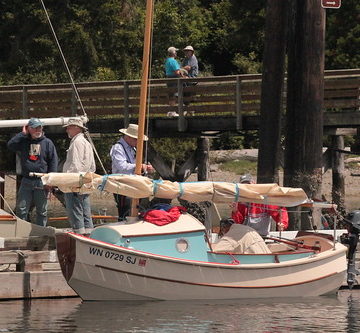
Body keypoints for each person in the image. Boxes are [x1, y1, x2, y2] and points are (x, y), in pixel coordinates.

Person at [7, 117, 58, 226]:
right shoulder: (24, 141)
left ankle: (41, 232)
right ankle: (21, 230)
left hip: (41, 180)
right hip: (26, 180)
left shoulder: (48, 143)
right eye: (34, 128)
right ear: (28, 129)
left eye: (39, 127)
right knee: (21, 209)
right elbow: (10, 145)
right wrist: (22, 134)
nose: (37, 130)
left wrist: (51, 181)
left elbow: (53, 162)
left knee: (42, 210)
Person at [110, 124, 154, 220]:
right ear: (128, 137)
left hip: (132, 184)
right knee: (125, 211)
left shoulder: (133, 148)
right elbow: (122, 167)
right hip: (121, 185)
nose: (138, 142)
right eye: (136, 139)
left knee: (135, 210)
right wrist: (140, 166)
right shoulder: (118, 148)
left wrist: (145, 168)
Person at [62, 118, 96, 235]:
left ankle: (79, 236)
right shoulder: (86, 142)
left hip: (75, 181)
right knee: (86, 212)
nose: (67, 130)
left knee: (75, 211)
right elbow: (92, 165)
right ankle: (89, 236)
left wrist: (68, 180)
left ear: (77, 128)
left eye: (69, 127)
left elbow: (76, 165)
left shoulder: (76, 142)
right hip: (85, 180)